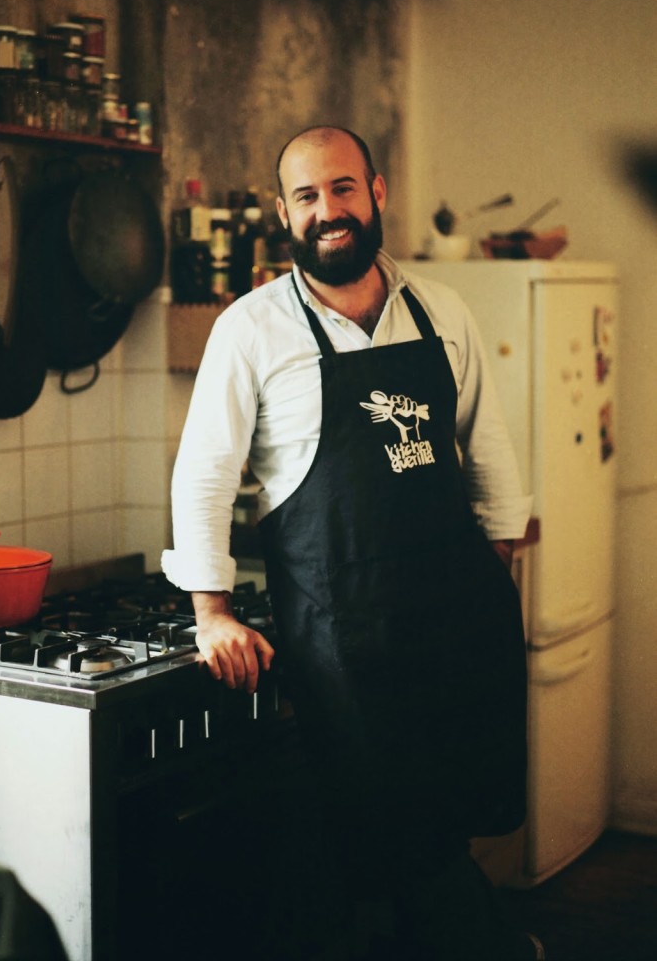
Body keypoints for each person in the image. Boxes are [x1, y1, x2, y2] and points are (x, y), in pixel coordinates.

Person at [162, 125, 543, 960]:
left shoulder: (442, 311)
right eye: (307, 196)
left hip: (450, 625)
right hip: (344, 642)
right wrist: (211, 612)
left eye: (341, 188)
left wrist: (498, 565)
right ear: (282, 213)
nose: (327, 211)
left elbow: (488, 448)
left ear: (376, 192)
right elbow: (204, 476)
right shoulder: (250, 329)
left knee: (441, 819)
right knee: (387, 832)